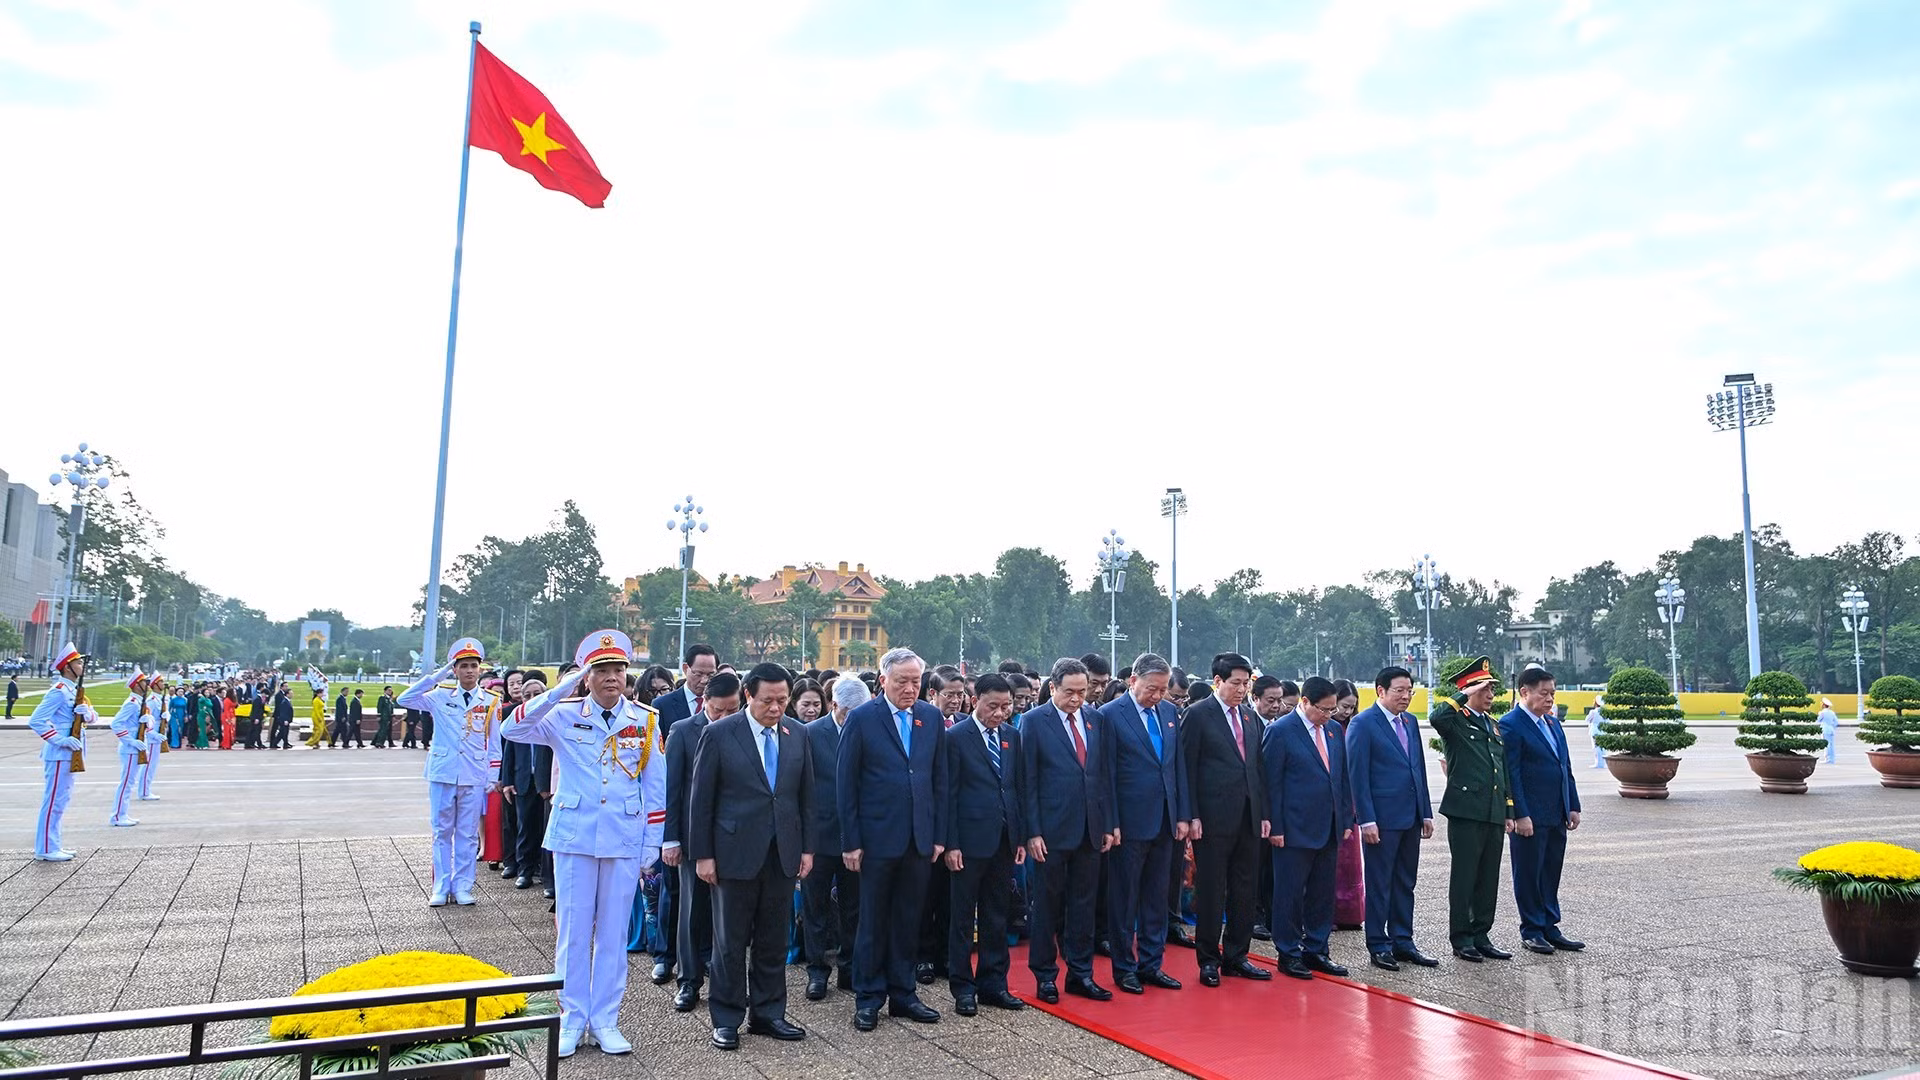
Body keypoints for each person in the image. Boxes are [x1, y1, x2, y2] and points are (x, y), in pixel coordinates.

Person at [504, 630, 665, 1058]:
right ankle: (571, 1019)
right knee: (573, 933)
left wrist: (651, 843)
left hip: (623, 836)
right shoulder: (562, 714)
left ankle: (606, 1020)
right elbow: (512, 727)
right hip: (575, 835)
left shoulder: (645, 719)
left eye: (618, 670)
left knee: (613, 934)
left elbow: (656, 785)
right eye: (602, 670)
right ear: (586, 676)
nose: (612, 677)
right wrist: (560, 690)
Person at [688, 662, 814, 1051]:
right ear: (748, 695)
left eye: (782, 700)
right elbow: (701, 801)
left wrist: (807, 848)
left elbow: (806, 796)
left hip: (782, 852)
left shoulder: (797, 734)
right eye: (767, 700)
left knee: (774, 939)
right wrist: (703, 855)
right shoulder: (719, 733)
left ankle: (768, 1013)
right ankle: (727, 1018)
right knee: (730, 942)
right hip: (733, 853)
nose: (776, 708)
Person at [838, 646, 947, 1032]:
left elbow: (939, 780)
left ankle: (904, 993)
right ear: (883, 680)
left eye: (916, 681)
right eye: (902, 681)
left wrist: (938, 835)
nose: (909, 689)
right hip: (876, 839)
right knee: (872, 920)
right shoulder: (862, 718)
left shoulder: (931, 717)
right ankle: (868, 997)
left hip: (919, 838)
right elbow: (846, 784)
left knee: (908, 919)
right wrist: (850, 841)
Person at [1021, 657, 1115, 1003]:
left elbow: (1103, 776)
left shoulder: (1095, 719)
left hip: (1090, 828)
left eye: (1082, 691)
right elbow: (1027, 781)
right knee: (1047, 906)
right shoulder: (1034, 721)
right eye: (1070, 692)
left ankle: (1081, 973)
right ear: (1053, 688)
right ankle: (1045, 975)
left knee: (1083, 905)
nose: (1077, 698)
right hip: (1051, 830)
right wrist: (1032, 831)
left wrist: (1108, 823)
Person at [1099, 652, 1187, 995]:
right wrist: (1111, 821)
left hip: (1165, 819)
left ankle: (1152, 964)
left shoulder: (1169, 712)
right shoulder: (1109, 715)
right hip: (1129, 822)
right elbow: (1105, 775)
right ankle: (1124, 968)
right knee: (1124, 899)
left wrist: (1182, 814)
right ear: (1133, 681)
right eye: (1152, 688)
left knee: (1157, 897)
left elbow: (1176, 768)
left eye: (1163, 689)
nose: (1158, 695)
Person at [1181, 652, 1271, 988]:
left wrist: (1264, 814)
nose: (1242, 689)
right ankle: (1208, 959)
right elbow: (1186, 768)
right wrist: (1191, 814)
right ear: (1217, 681)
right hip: (1212, 818)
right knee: (1211, 890)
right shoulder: (1197, 715)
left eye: (1246, 683)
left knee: (1245, 889)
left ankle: (1237, 955)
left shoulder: (1249, 717)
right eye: (1236, 683)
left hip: (1248, 816)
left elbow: (1258, 768)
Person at [398, 637, 503, 907]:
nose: (469, 671)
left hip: (473, 773)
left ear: (480, 669)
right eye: (463, 666)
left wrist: (493, 775)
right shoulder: (440, 695)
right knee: (441, 832)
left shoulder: (490, 701)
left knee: (467, 834)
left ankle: (463, 886)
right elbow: (405, 698)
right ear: (454, 670)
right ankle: (441, 887)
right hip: (443, 772)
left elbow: (494, 742)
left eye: (473, 666)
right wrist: (436, 676)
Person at [944, 672, 1026, 1014]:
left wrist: (1020, 836)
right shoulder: (955, 737)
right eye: (993, 706)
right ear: (974, 700)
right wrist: (951, 844)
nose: (1000, 713)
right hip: (967, 841)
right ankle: (963, 987)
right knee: (963, 917)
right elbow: (947, 794)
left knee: (996, 914)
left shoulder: (1011, 736)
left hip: (1003, 840)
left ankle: (994, 984)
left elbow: (1016, 787)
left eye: (1006, 706)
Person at [1345, 665, 1437, 972]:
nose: (1406, 696)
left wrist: (1425, 811)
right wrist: (1366, 819)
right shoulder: (1363, 724)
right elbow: (1357, 776)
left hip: (1410, 816)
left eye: (1409, 691)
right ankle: (1378, 943)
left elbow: (1417, 769)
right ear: (1381, 690)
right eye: (1399, 690)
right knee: (1380, 883)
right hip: (1381, 820)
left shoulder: (1410, 722)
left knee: (1405, 882)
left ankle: (1403, 940)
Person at [1263, 676, 1354, 980]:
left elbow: (1341, 778)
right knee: (1289, 894)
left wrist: (1345, 819)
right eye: (1323, 709)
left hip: (1329, 826)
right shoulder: (1281, 731)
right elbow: (1271, 784)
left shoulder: (1333, 730)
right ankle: (1288, 952)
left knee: (1322, 893)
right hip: (1293, 828)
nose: (1329, 715)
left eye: (1332, 709)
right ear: (1304, 702)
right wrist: (1275, 827)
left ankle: (1317, 948)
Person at [663, 672, 741, 1013]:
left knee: (731, 916)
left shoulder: (745, 729)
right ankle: (688, 981)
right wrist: (670, 838)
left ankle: (728, 984)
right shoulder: (683, 730)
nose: (724, 717)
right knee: (692, 911)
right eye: (718, 710)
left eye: (732, 710)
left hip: (735, 836)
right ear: (704, 702)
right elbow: (672, 789)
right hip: (694, 836)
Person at [1430, 656, 1516, 962]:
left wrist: (1508, 809)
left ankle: (1481, 935)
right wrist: (1462, 694)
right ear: (1469, 691)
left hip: (1492, 810)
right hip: (1466, 810)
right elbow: (1437, 718)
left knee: (1488, 878)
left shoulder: (1492, 724)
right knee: (1465, 877)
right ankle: (1462, 938)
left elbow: (1501, 770)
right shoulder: (1456, 720)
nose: (1491, 694)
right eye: (1485, 689)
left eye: (1491, 689)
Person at [1501, 666, 1584, 956]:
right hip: (1530, 816)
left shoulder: (1552, 723)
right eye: (1543, 693)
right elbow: (1511, 774)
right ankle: (1532, 929)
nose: (1549, 699)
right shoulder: (1511, 725)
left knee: (1550, 871)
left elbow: (1565, 767)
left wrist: (1572, 804)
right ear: (1524, 692)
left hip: (1556, 812)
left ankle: (1550, 925)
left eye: (1552, 693)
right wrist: (1519, 813)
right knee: (1529, 873)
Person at [650, 643, 719, 985]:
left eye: (711, 673)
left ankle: (703, 957)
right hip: (679, 812)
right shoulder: (665, 708)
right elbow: (664, 775)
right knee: (673, 890)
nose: (704, 679)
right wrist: (668, 832)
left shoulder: (727, 709)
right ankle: (665, 956)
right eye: (699, 673)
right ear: (685, 669)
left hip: (713, 821)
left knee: (707, 900)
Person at [801, 674, 868, 1001]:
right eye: (847, 712)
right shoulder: (811, 734)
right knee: (815, 908)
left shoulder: (868, 730)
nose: (853, 718)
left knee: (854, 907)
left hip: (855, 836)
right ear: (834, 704)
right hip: (818, 836)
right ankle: (817, 971)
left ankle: (849, 968)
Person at [29, 644, 93, 860]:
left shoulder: (74, 690)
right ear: (67, 667)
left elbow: (91, 717)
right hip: (59, 754)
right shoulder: (58, 691)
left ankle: (53, 844)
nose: (82, 666)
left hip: (71, 753)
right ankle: (46, 849)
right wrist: (60, 740)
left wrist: (87, 713)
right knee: (53, 802)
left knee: (61, 801)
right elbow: (36, 721)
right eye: (78, 663)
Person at [504, 671, 551, 890]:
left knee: (545, 828)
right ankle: (525, 870)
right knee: (524, 827)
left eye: (537, 694)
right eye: (527, 695)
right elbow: (509, 752)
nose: (532, 699)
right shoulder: (517, 719)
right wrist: (506, 780)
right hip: (522, 780)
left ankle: (545, 872)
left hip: (546, 783)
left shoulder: (552, 717)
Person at [1330, 679, 1366, 930]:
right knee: (1333, 861)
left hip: (1351, 800)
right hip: (1331, 798)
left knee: (1351, 862)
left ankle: (1351, 914)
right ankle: (1331, 913)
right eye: (1344, 706)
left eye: (1352, 707)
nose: (1347, 711)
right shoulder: (1327, 728)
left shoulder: (1354, 727)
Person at [109, 669, 150, 827]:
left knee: (130, 783)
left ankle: (123, 813)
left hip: (137, 745)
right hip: (131, 747)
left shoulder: (139, 702)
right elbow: (116, 724)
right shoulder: (132, 703)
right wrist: (130, 741)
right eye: (144, 682)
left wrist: (148, 721)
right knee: (126, 783)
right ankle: (117, 816)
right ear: (137, 685)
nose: (147, 684)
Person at [140, 674, 169, 797]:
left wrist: (167, 716)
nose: (163, 684)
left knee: (153, 764)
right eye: (161, 681)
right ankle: (144, 792)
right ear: (155, 685)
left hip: (159, 733)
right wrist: (153, 734)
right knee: (149, 765)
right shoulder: (151, 700)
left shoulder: (160, 698)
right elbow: (147, 720)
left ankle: (146, 790)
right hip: (153, 735)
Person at [1586, 695, 1607, 769]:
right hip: (1603, 731)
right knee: (1603, 748)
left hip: (1595, 731)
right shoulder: (1605, 712)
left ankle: (1598, 763)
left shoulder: (1593, 712)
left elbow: (1587, 719)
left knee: (1596, 747)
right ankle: (1603, 763)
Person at [1818, 697, 1839, 764]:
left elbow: (1818, 720)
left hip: (1825, 729)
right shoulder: (1832, 712)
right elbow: (1836, 722)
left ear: (1824, 705)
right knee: (1831, 745)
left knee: (1826, 745)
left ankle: (1827, 759)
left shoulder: (1822, 713)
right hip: (1831, 729)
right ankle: (1832, 759)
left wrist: (1819, 714)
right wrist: (1832, 727)